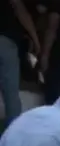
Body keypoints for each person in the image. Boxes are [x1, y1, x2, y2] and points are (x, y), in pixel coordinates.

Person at [0, 0, 40, 129]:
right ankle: (13, 135)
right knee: (11, 93)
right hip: (5, 41)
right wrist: (35, 38)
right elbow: (21, 11)